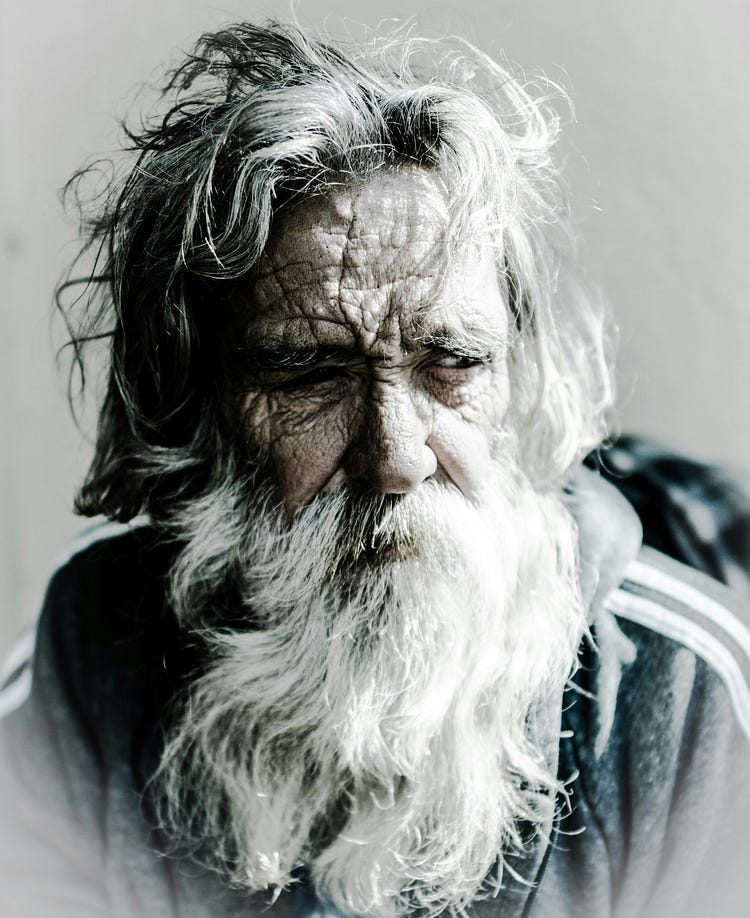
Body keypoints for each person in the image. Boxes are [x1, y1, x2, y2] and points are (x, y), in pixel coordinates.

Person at [1, 19, 748, 918]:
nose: (395, 456)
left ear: (517, 381)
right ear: (203, 411)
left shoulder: (681, 685)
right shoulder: (91, 647)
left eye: (453, 365)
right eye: (312, 374)